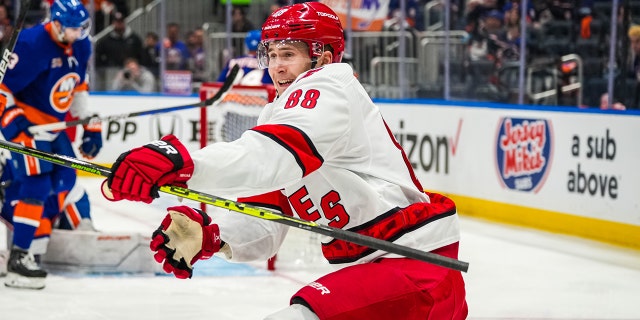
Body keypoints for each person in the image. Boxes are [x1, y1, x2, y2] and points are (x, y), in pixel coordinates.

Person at [101, 2, 467, 319]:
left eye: (288, 54)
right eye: (272, 55)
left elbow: (272, 157)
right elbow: (269, 218)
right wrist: (215, 234)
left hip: (413, 268)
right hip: (379, 273)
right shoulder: (277, 113)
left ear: (323, 56)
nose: (276, 67)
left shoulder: (329, 85)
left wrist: (185, 163)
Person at [0, 0, 102, 289]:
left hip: (53, 126)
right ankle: (19, 258)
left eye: (82, 28)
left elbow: (78, 84)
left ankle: (27, 242)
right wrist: (15, 126)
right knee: (37, 182)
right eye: (72, 29)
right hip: (25, 124)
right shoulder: (31, 44)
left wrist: (90, 124)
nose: (78, 34)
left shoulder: (81, 44)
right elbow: (2, 90)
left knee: (66, 177)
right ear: (56, 24)